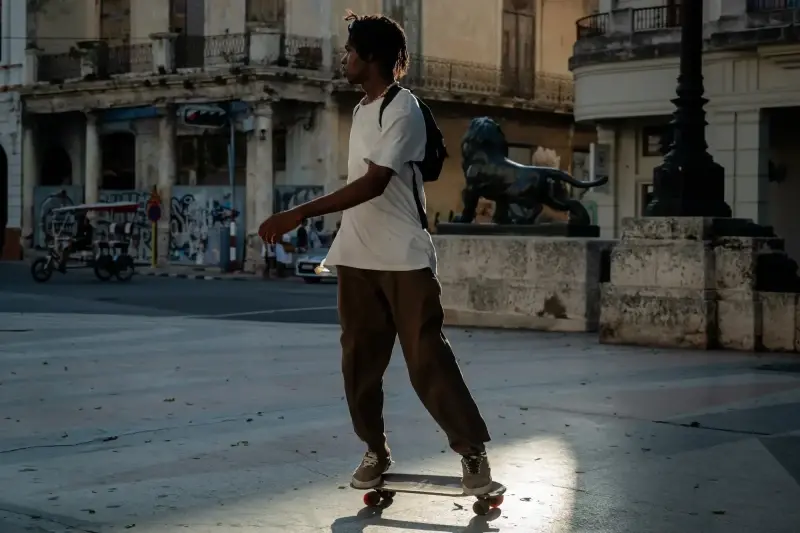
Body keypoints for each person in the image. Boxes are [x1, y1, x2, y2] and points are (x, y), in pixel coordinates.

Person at [257, 11, 492, 495]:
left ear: (369, 56)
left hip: (404, 257)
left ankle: (472, 452)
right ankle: (375, 450)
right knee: (358, 363)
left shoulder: (402, 107)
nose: (343, 58)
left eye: (349, 51)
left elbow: (373, 183)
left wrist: (297, 214)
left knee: (427, 357)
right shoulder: (363, 109)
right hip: (357, 257)